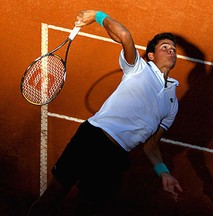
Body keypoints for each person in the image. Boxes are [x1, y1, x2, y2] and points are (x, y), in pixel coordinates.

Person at [26, 9, 183, 216]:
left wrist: (163, 172)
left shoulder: (172, 102)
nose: (171, 50)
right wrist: (97, 16)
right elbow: (125, 36)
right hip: (93, 138)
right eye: (165, 47)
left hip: (116, 157)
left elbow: (151, 145)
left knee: (87, 208)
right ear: (151, 56)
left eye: (173, 48)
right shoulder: (138, 68)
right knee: (54, 193)